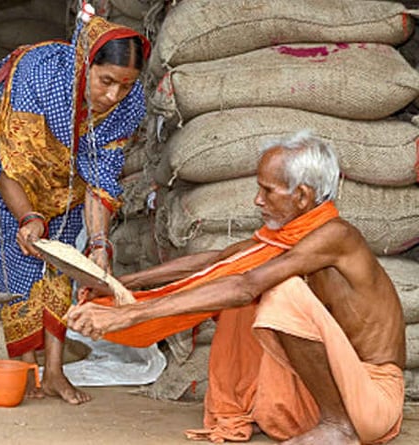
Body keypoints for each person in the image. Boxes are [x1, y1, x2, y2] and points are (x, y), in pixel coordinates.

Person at [67, 131, 405, 444]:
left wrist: (133, 315)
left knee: (277, 292)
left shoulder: (336, 235)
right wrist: (119, 285)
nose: (258, 201)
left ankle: (338, 428)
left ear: (302, 196)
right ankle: (259, 408)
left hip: (371, 399)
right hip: (334, 386)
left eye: (268, 190)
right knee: (243, 289)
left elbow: (245, 285)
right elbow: (217, 260)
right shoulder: (290, 237)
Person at [0, 5, 150, 405]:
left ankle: (54, 372)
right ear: (86, 64)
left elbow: (101, 178)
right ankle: (26, 371)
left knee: (64, 258)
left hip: (70, 170)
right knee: (19, 259)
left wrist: (100, 242)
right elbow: (11, 171)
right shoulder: (38, 77)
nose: (112, 96)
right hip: (8, 159)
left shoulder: (127, 103)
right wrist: (29, 217)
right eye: (106, 82)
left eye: (125, 85)